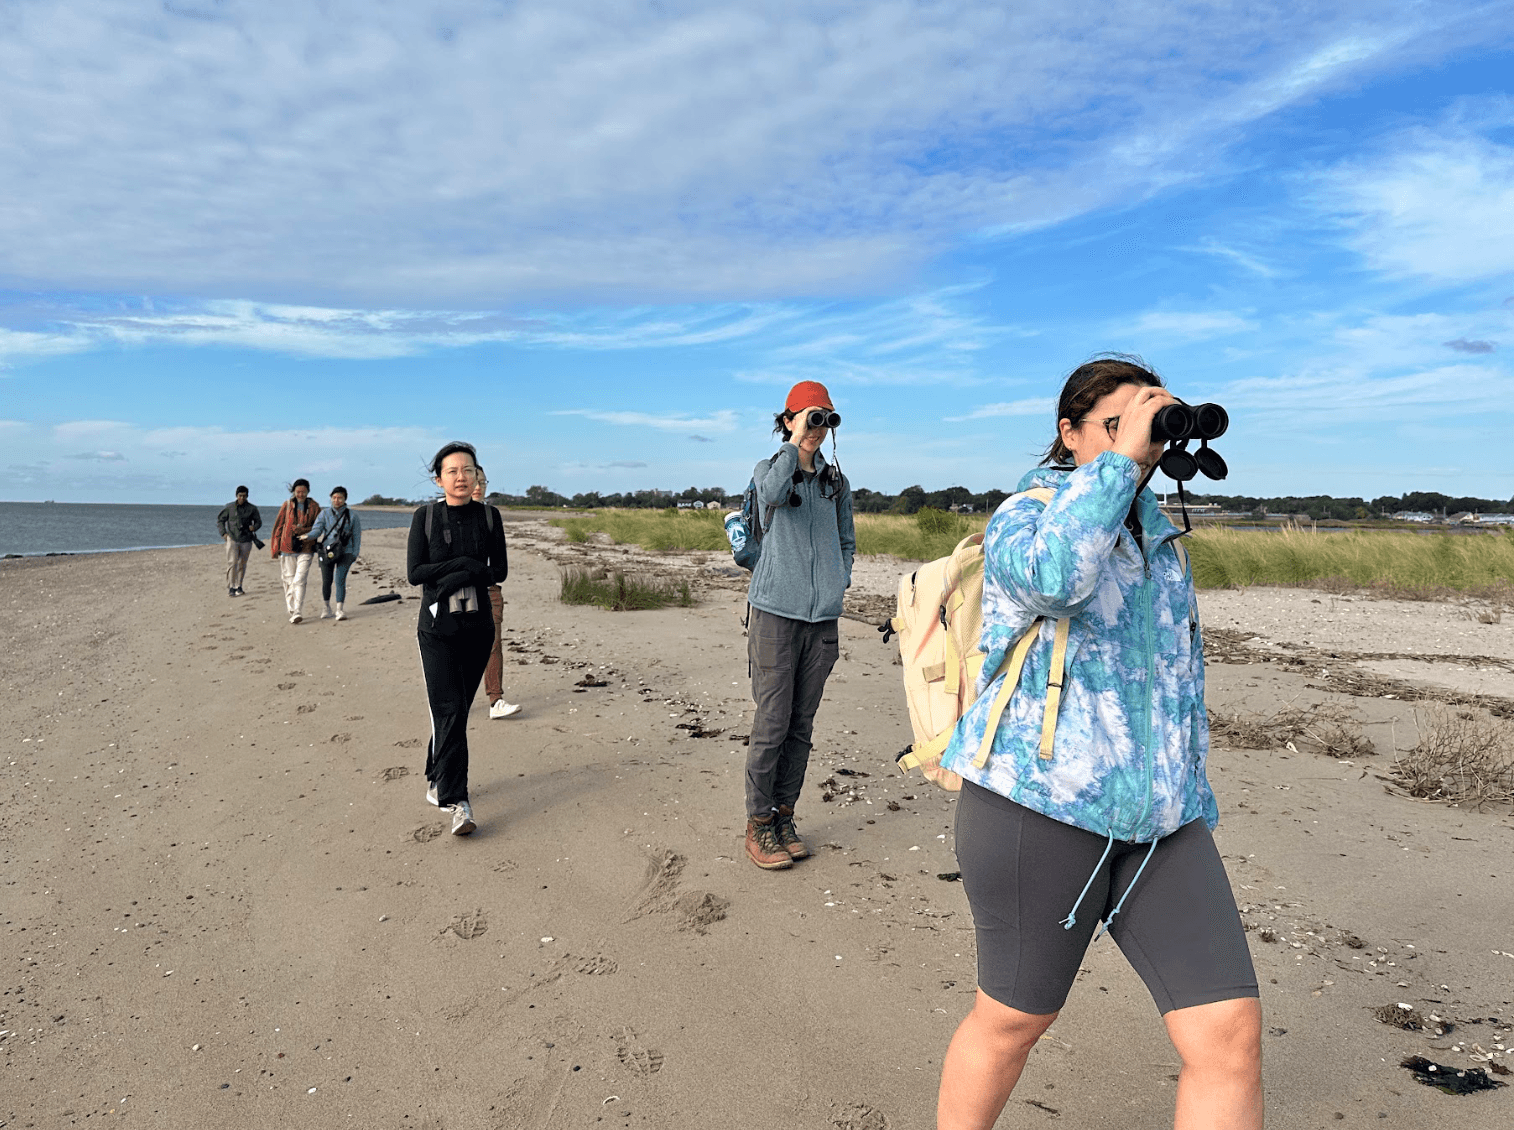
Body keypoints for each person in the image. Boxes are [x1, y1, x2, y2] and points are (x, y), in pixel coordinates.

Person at [934, 356, 1262, 1130]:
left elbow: (1179, 676)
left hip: (1161, 824)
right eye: (1114, 425)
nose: (1138, 442)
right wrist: (1120, 465)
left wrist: (1193, 795)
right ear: (1069, 434)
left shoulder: (1160, 539)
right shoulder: (1026, 515)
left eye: (1148, 421)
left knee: (1229, 1035)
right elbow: (1055, 578)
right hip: (1037, 811)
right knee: (1013, 1023)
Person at [742, 380, 854, 870]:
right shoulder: (771, 469)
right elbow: (769, 493)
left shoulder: (836, 483)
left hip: (821, 620)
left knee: (801, 725)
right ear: (787, 419)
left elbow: (846, 540)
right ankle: (758, 824)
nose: (817, 428)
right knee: (772, 722)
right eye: (808, 417)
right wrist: (794, 444)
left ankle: (784, 815)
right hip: (774, 614)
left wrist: (838, 581)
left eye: (824, 418)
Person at [407, 442, 508, 836]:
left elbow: (497, 569)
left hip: (478, 628)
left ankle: (436, 772)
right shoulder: (426, 517)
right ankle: (458, 801)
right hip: (437, 630)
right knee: (448, 711)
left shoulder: (489, 517)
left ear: (476, 475)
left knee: (457, 712)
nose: (461, 477)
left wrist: (455, 572)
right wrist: (466, 566)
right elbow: (416, 573)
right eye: (452, 471)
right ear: (439, 479)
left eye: (468, 470)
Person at [472, 467, 521, 719]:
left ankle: (496, 700)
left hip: (489, 588)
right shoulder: (442, 515)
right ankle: (456, 699)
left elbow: (500, 566)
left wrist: (485, 576)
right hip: (455, 592)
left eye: (483, 481)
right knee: (459, 647)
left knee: (493, 644)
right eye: (474, 480)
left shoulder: (492, 515)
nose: (478, 486)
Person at [308, 486, 363, 621]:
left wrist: (354, 554)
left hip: (346, 552)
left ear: (345, 499)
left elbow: (357, 535)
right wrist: (307, 536)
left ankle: (339, 609)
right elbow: (317, 530)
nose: (337, 500)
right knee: (326, 580)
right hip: (327, 552)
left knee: (340, 579)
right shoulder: (324, 514)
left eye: (340, 498)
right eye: (334, 497)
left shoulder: (352, 516)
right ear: (331, 498)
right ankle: (326, 607)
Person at [270, 479, 320, 624]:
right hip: (287, 548)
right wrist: (275, 548)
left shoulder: (314, 507)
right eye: (298, 491)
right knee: (289, 580)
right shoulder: (286, 506)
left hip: (306, 548)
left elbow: (319, 526)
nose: (301, 494)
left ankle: (297, 610)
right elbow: (278, 527)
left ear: (308, 492)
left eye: (303, 491)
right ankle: (292, 610)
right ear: (293, 492)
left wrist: (303, 531)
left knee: (300, 580)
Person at [216, 485, 261, 596]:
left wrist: (254, 527)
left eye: (244, 496)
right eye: (240, 495)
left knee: (242, 563)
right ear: (237, 495)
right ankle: (231, 587)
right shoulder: (229, 507)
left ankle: (239, 586)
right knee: (232, 563)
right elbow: (220, 520)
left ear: (247, 496)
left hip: (246, 539)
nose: (242, 498)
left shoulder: (252, 509)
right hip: (232, 538)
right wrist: (224, 534)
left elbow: (259, 522)